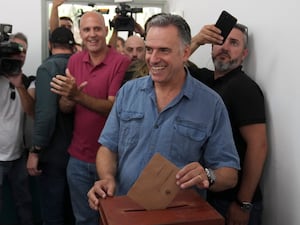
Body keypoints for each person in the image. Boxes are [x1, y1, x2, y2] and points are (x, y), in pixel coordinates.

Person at [87, 13, 240, 211]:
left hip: (179, 217)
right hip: (126, 211)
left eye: (164, 50)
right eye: (149, 49)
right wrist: (107, 178)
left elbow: (229, 174)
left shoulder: (211, 104)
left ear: (185, 53)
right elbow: (107, 147)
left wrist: (208, 176)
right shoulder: (127, 93)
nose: (153, 58)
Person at [50, 11, 131, 225]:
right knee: (83, 220)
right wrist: (69, 97)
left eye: (97, 28)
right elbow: (66, 108)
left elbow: (112, 109)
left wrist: (78, 95)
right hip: (77, 159)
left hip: (113, 161)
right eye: (87, 29)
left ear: (106, 31)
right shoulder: (75, 60)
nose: (92, 34)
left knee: (114, 219)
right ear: (80, 33)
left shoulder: (120, 62)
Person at [191, 23, 268, 225]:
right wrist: (198, 39)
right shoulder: (205, 80)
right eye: (220, 41)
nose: (224, 47)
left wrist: (243, 203)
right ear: (211, 47)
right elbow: (171, 61)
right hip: (210, 193)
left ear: (244, 54)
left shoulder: (244, 88)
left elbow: (258, 146)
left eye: (233, 43)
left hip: (233, 200)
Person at [26, 27, 76, 225]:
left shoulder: (47, 68)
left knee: (53, 214)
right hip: (78, 152)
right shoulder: (80, 65)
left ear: (49, 45)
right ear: (72, 45)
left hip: (54, 153)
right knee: (73, 212)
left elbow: (46, 114)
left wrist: (36, 150)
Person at [0, 32, 35, 225]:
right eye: (15, 50)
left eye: (23, 51)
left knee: (25, 203)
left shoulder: (28, 81)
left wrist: (19, 85)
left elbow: (31, 111)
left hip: (18, 156)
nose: (19, 55)